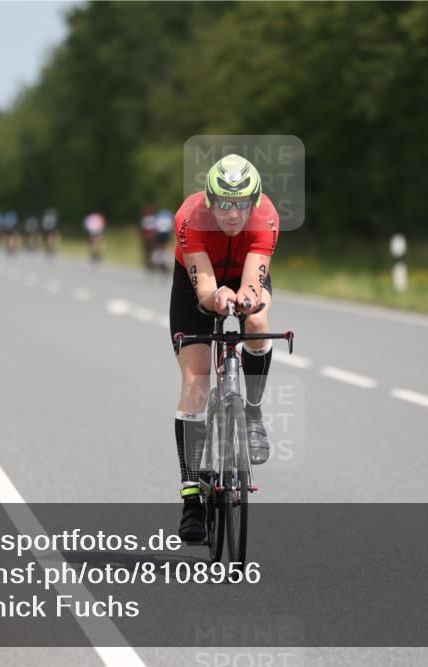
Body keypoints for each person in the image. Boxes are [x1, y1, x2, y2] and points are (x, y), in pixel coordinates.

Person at [169, 154, 279, 541]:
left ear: (255, 201)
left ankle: (251, 413)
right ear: (211, 200)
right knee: (196, 383)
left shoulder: (266, 217)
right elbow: (203, 292)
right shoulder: (189, 217)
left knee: (259, 322)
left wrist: (247, 299)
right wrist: (218, 297)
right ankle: (191, 499)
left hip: (242, 270)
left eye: (242, 204)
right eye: (225, 204)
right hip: (198, 280)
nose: (233, 214)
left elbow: (254, 281)